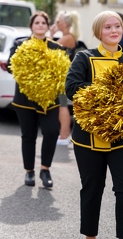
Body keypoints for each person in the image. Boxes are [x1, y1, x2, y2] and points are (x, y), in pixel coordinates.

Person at [66, 11, 123, 239]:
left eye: (117, 26)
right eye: (108, 27)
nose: (114, 31)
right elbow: (71, 88)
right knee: (92, 190)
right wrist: (107, 89)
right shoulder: (84, 57)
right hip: (88, 136)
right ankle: (90, 236)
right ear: (98, 32)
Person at [7, 11, 62, 188]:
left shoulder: (56, 47)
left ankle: (45, 169)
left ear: (47, 26)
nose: (40, 25)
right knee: (28, 136)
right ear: (31, 26)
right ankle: (29, 171)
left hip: (49, 99)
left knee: (52, 132)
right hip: (25, 99)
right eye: (36, 23)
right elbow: (11, 67)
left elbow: (63, 72)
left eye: (43, 23)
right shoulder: (19, 44)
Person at [49, 10, 81, 145]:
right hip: (64, 76)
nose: (56, 24)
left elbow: (49, 49)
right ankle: (64, 135)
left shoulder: (67, 38)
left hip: (65, 78)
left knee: (63, 106)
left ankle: (64, 135)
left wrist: (51, 34)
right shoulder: (68, 36)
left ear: (66, 24)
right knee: (62, 106)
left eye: (59, 21)